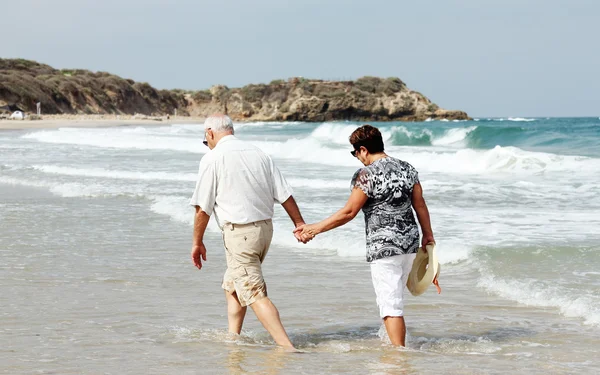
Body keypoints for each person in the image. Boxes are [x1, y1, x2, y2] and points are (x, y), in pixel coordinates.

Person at [294, 124, 434, 347]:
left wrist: (314, 229)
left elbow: (349, 212)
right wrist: (428, 236)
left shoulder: (366, 174)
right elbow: (420, 205)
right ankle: (393, 344)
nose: (357, 158)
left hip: (384, 247)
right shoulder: (408, 168)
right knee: (394, 298)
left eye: (355, 153)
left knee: (390, 305)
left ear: (363, 150)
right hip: (409, 244)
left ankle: (399, 358)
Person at [190, 114, 306, 349]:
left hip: (240, 234)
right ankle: (234, 338)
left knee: (253, 292)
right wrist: (299, 224)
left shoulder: (213, 158)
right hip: (264, 231)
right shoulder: (259, 153)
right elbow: (285, 194)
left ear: (210, 133)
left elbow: (203, 208)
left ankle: (287, 348)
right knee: (233, 283)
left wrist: (197, 242)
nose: (207, 142)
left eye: (206, 139)